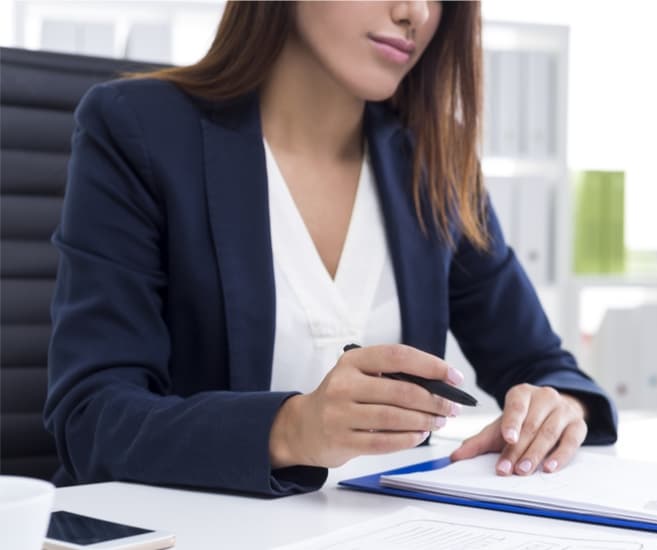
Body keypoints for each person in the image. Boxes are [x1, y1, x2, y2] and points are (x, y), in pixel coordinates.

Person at [45, 1, 616, 497]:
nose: (413, 11)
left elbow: (545, 366)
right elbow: (91, 417)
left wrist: (558, 409)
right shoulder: (138, 130)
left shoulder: (432, 163)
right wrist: (293, 428)